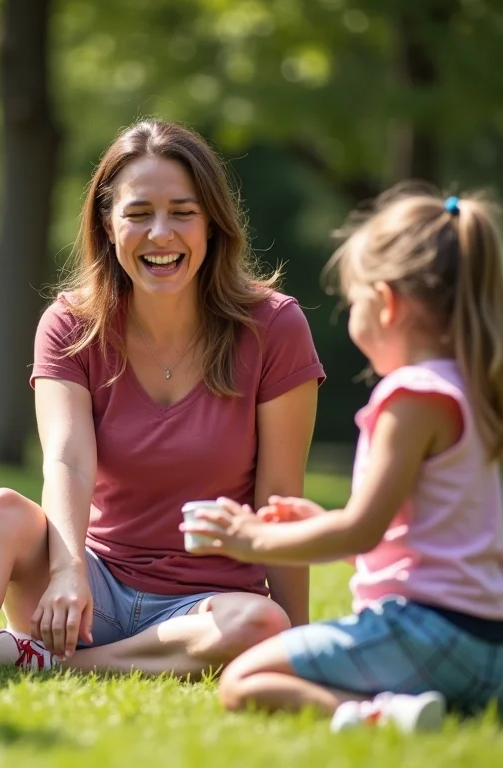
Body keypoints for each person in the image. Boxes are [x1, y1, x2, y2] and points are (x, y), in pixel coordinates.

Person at [0, 118, 324, 692]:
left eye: (182, 212)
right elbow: (67, 459)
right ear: (108, 225)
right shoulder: (70, 325)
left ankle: (45, 664)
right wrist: (68, 572)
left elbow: (280, 497)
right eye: (139, 213)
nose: (160, 233)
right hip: (81, 598)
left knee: (262, 622)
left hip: (205, 611)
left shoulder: (274, 327)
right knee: (2, 511)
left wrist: (300, 639)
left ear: (212, 224)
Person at [181, 185, 503, 732]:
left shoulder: (412, 397)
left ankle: (378, 718)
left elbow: (360, 532)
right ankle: (431, 706)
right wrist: (319, 522)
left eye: (354, 301)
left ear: (387, 302)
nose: (351, 315)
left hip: (424, 634)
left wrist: (250, 539)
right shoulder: (479, 390)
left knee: (243, 680)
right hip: (489, 649)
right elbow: (432, 533)